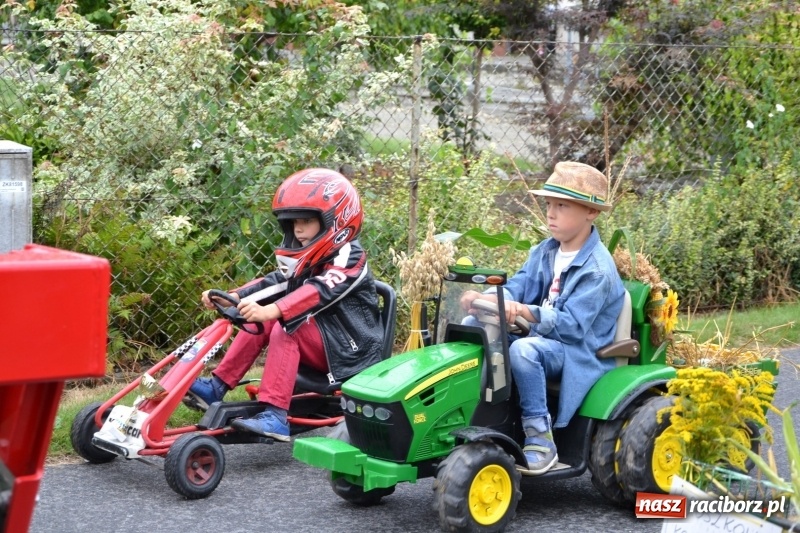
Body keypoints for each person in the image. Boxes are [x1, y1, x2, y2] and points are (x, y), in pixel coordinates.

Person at [187, 168, 384, 442]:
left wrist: (275, 310)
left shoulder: (350, 256)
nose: (298, 229)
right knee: (263, 319)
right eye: (293, 222)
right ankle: (216, 386)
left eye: (306, 220)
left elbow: (320, 289)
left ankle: (275, 416)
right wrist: (234, 297)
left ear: (336, 220)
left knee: (285, 326)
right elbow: (276, 282)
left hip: (351, 350)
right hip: (323, 341)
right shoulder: (308, 255)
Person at [461, 161, 625, 475]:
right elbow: (519, 286)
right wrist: (490, 300)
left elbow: (573, 326)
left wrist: (524, 311)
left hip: (578, 352)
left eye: (562, 206)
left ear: (591, 212)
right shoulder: (545, 251)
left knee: (523, 351)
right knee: (475, 328)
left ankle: (541, 437)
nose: (550, 213)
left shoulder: (598, 271)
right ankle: (477, 413)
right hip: (542, 339)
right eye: (549, 204)